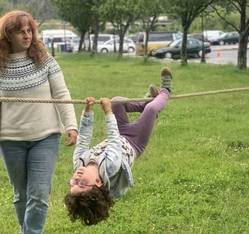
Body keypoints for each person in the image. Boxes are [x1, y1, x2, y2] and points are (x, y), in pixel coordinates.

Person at [0, 10, 78, 233]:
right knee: (22, 195)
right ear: (7, 35)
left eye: (29, 31)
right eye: (20, 32)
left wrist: (71, 125)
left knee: (39, 194)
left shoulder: (45, 60)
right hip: (10, 139)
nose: (27, 36)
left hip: (45, 138)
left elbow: (62, 94)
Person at [64, 67, 172, 226]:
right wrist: (108, 113)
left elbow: (83, 139)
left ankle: (146, 101)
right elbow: (113, 139)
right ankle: (166, 90)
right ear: (97, 183)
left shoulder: (79, 163)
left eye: (73, 183)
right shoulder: (110, 167)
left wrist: (88, 112)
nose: (76, 178)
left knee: (117, 102)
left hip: (120, 132)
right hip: (135, 140)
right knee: (151, 110)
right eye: (81, 184)